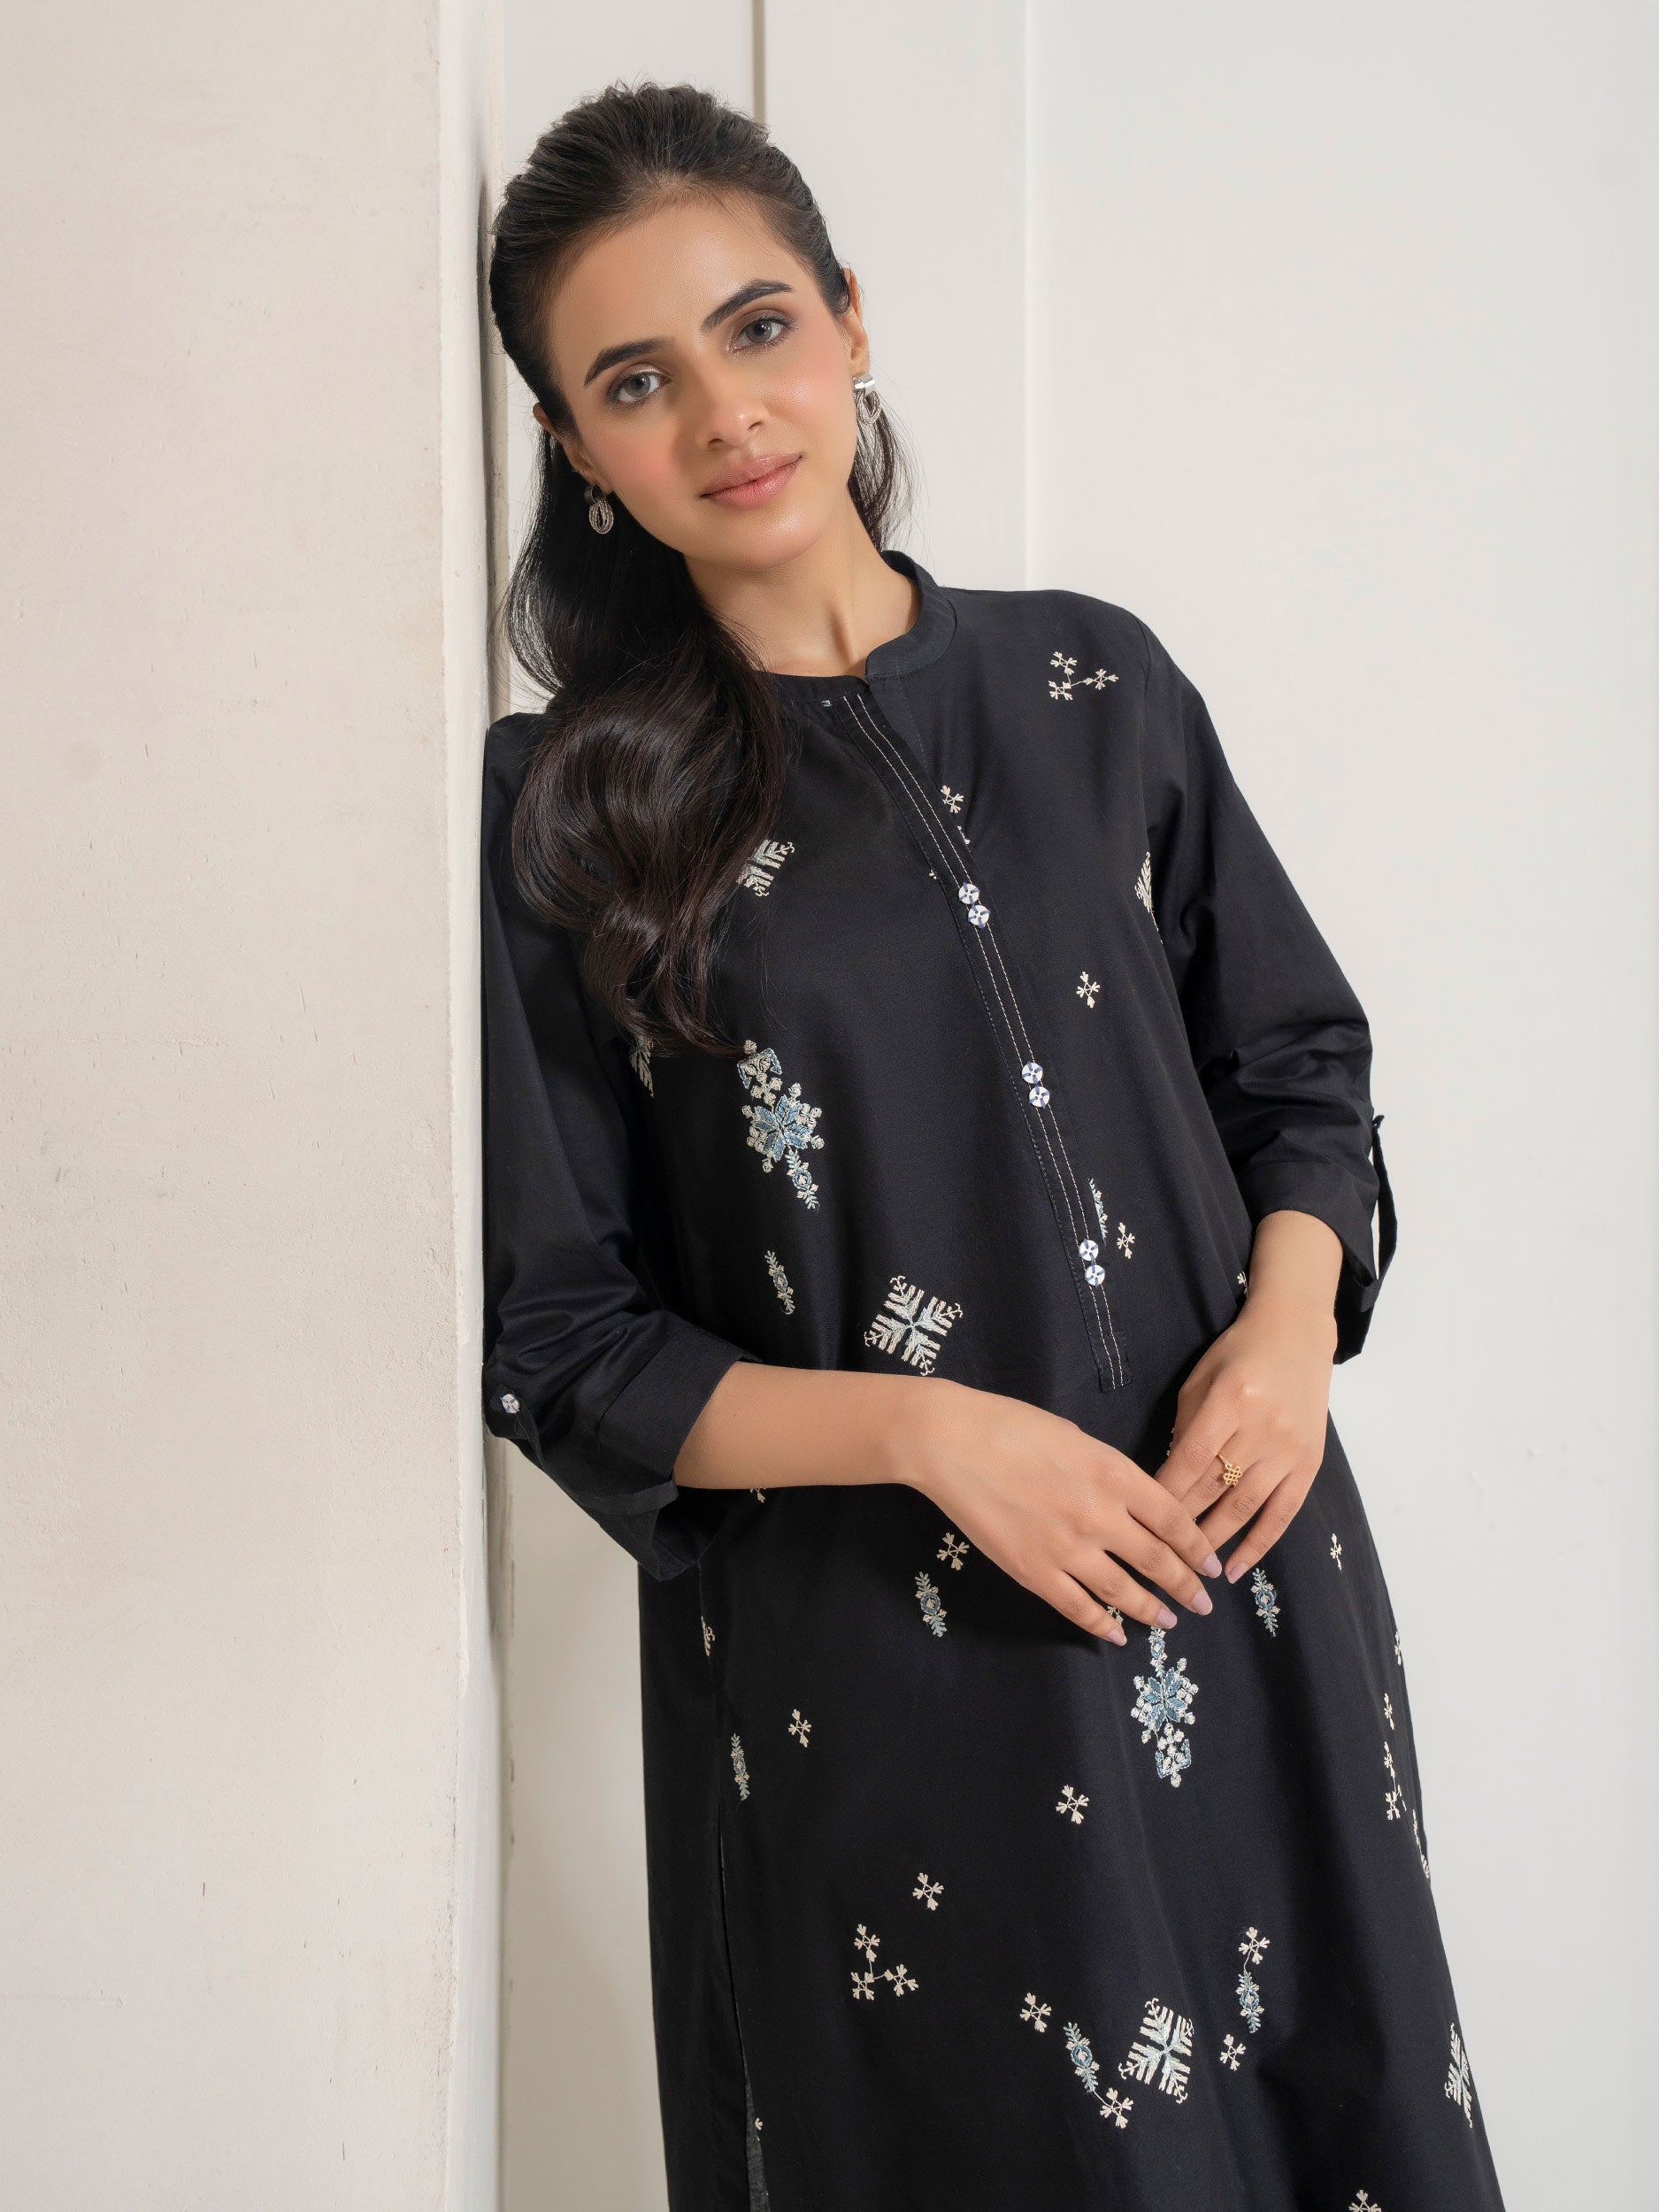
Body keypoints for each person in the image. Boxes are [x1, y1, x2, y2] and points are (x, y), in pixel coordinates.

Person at [481, 79, 1507, 2212]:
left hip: (1243, 1580)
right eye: (635, 382)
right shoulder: (559, 815)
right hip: (899, 1675)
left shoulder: (1090, 686)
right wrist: (928, 1433)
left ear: (850, 320)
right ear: (577, 448)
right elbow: (564, 1337)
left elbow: (1293, 1059)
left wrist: (1285, 1335)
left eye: (758, 328)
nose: (725, 414)